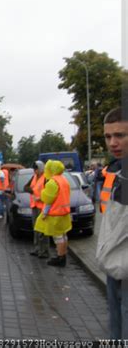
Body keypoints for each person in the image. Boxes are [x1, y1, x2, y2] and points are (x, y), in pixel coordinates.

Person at [96, 107, 127, 339]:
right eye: (108, 137)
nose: (113, 143)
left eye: (120, 135)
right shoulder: (116, 173)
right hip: (114, 266)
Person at [34, 160, 72, 267]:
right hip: (64, 213)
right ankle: (63, 256)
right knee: (63, 236)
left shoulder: (52, 182)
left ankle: (60, 258)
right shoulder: (64, 180)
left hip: (56, 213)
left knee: (58, 237)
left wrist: (45, 212)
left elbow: (48, 199)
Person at [24, 160, 49, 258]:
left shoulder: (46, 178)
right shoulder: (34, 177)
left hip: (42, 208)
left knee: (42, 230)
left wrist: (40, 197)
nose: (35, 171)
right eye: (34, 169)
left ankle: (44, 251)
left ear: (41, 168)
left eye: (36, 169)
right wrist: (32, 191)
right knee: (36, 229)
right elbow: (25, 187)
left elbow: (49, 193)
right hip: (34, 206)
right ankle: (37, 249)